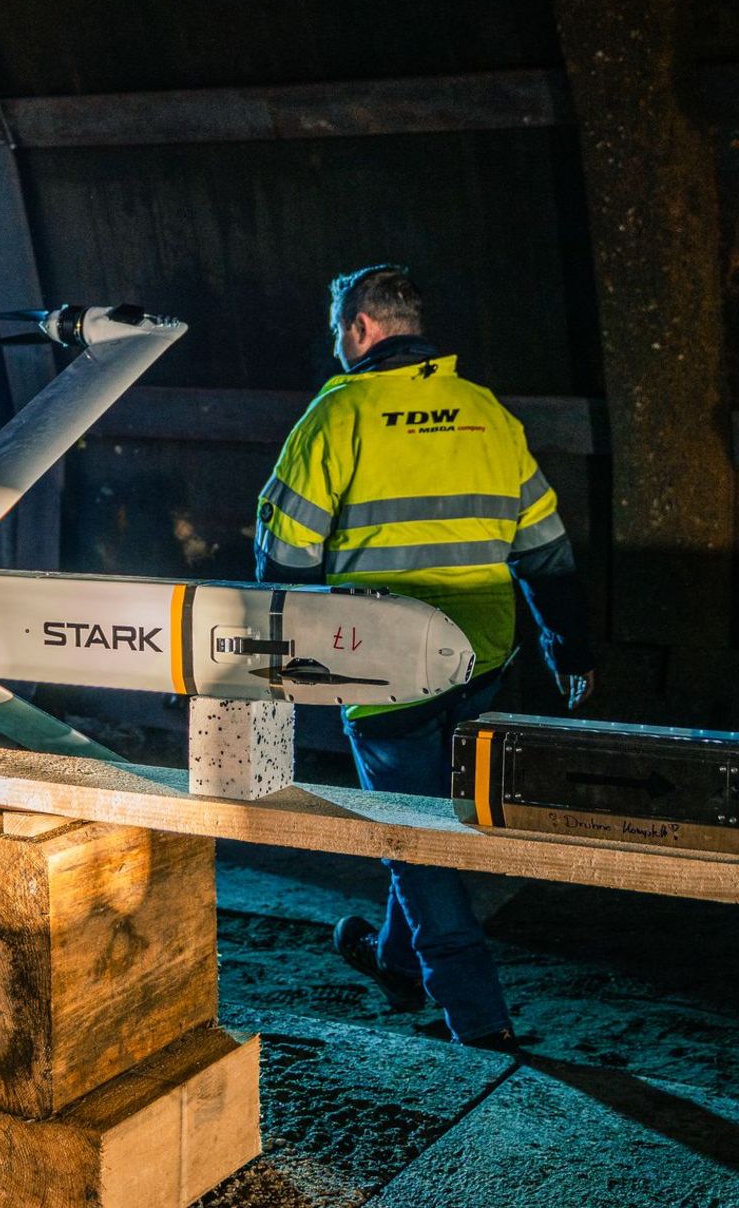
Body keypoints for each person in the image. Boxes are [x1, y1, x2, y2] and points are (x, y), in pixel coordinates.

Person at [254, 264, 595, 1051]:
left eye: (341, 330)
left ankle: (476, 1013)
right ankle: (395, 960)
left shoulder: (339, 414)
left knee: (409, 836)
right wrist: (568, 644)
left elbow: (287, 562)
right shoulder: (485, 413)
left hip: (385, 662)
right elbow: (545, 547)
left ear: (360, 329)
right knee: (431, 813)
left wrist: (287, 669)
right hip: (482, 656)